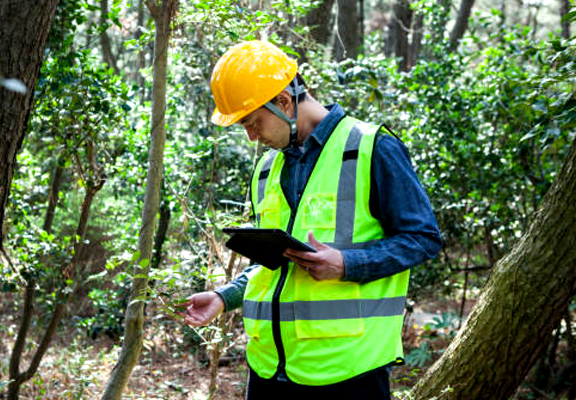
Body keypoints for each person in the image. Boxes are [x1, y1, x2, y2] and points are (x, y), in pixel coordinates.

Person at [183, 40, 442, 399]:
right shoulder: (266, 170)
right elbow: (275, 266)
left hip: (348, 372)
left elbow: (423, 238)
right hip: (269, 370)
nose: (251, 137)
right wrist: (224, 297)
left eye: (253, 122)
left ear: (285, 102)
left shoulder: (371, 147)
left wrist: (347, 264)